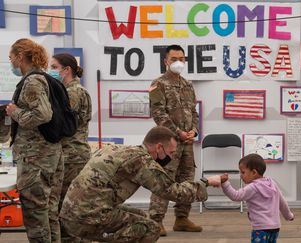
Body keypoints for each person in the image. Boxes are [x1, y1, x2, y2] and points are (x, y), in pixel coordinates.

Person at [59, 126, 221, 243]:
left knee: (142, 216)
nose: (171, 157)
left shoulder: (116, 149)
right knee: (152, 228)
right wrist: (206, 182)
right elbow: (173, 191)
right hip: (86, 219)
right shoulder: (141, 161)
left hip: (68, 215)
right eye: (170, 152)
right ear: (158, 147)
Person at [6, 38, 64, 242]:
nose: (10, 61)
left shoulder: (32, 81)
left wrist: (15, 113)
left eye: (11, 57)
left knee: (36, 217)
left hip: (36, 159)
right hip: (49, 154)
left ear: (20, 56)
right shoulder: (44, 78)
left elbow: (42, 115)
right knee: (48, 214)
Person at [149, 44, 200, 235]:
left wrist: (194, 130)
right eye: (174, 59)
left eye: (182, 59)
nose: (178, 62)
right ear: (165, 61)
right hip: (167, 143)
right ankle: (155, 221)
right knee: (163, 180)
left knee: (187, 180)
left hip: (187, 143)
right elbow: (158, 113)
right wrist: (177, 132)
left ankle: (182, 219)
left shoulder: (188, 85)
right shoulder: (158, 84)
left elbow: (194, 112)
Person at [49, 53, 92, 242]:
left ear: (66, 70)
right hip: (71, 154)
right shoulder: (68, 90)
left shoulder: (72, 92)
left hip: (72, 156)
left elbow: (64, 125)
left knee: (68, 207)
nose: (50, 71)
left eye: (53, 67)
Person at [219, 154, 294, 243]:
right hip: (275, 227)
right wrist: (288, 215)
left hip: (260, 229)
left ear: (254, 172)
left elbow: (236, 195)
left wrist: (225, 183)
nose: (240, 175)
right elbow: (282, 202)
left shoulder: (252, 187)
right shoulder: (272, 183)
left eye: (243, 172)